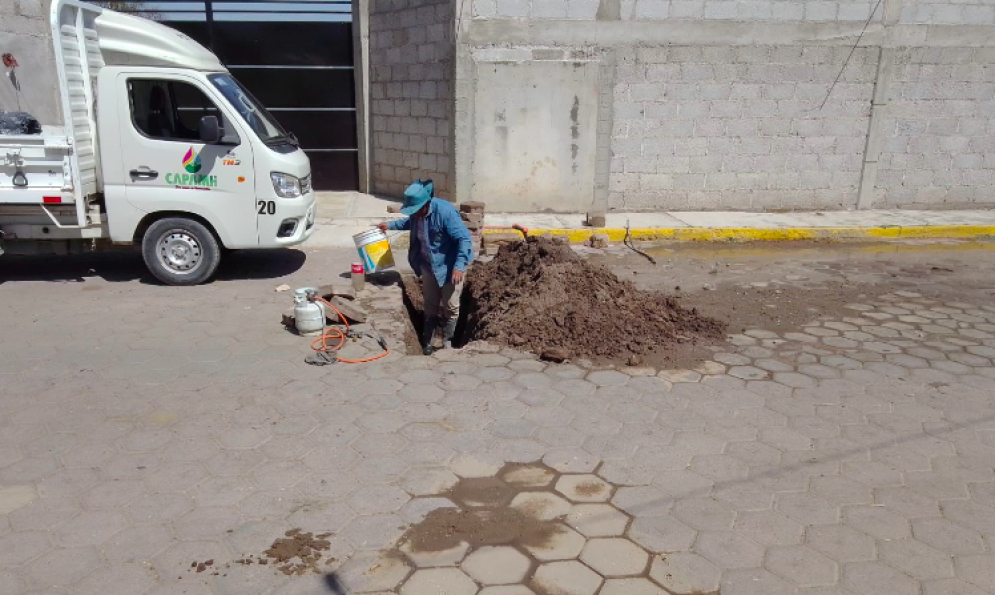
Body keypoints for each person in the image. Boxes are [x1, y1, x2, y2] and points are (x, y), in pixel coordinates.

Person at [379, 180, 473, 355]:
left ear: (426, 204)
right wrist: (389, 225)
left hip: (449, 267)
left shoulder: (445, 212)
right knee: (430, 306)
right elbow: (409, 223)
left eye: (415, 210)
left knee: (450, 306)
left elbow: (464, 239)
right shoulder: (417, 215)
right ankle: (428, 340)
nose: (414, 214)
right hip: (428, 266)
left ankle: (447, 341)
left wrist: (459, 266)